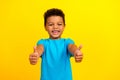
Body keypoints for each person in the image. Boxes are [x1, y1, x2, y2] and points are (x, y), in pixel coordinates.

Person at [29, 8, 83, 80]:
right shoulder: (43, 43)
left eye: (59, 24)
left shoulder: (67, 42)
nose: (55, 27)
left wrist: (76, 51)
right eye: (51, 24)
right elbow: (40, 48)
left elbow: (72, 47)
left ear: (64, 26)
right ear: (45, 27)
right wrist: (36, 55)